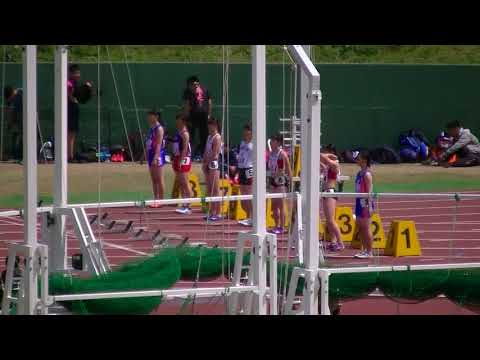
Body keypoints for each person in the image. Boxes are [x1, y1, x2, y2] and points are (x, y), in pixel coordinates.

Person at [182, 76, 212, 161]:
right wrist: (209, 114)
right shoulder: (205, 89)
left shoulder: (188, 91)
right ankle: (204, 155)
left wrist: (186, 116)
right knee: (204, 136)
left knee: (191, 136)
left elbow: (187, 104)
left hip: (194, 115)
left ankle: (189, 155)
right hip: (204, 115)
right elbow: (209, 102)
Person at [267, 134, 292, 235]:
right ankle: (276, 225)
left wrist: (290, 181)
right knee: (274, 205)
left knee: (281, 205)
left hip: (280, 181)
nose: (272, 143)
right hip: (273, 180)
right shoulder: (271, 153)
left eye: (273, 141)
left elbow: (282, 170)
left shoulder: (282, 154)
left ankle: (282, 226)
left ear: (278, 142)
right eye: (271, 141)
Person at [321, 145, 344, 252]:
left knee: (331, 220)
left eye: (327, 152)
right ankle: (333, 242)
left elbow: (321, 156)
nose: (324, 153)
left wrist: (329, 155)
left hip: (330, 192)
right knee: (328, 220)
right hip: (325, 192)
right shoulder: (327, 166)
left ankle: (340, 242)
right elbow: (320, 159)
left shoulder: (335, 164)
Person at [67, 64, 93, 163]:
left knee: (72, 133)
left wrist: (86, 89)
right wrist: (85, 87)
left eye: (78, 73)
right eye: (76, 73)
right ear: (70, 73)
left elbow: (80, 97)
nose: (78, 75)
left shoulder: (74, 83)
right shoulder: (69, 83)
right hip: (70, 109)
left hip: (73, 108)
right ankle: (69, 156)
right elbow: (72, 96)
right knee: (70, 133)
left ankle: (70, 155)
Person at [353, 150, 375, 259]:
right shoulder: (359, 173)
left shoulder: (367, 175)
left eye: (359, 158)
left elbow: (370, 192)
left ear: (365, 160)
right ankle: (364, 250)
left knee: (366, 228)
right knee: (360, 228)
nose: (357, 160)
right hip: (358, 201)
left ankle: (369, 251)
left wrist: (369, 206)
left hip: (365, 203)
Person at [172, 114, 193, 215]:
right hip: (177, 157)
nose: (177, 122)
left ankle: (188, 206)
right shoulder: (178, 132)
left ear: (183, 121)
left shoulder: (185, 133)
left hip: (184, 158)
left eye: (179, 120)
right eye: (176, 120)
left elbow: (185, 148)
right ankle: (184, 204)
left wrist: (181, 160)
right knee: (181, 182)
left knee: (185, 182)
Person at [202, 117, 223, 222]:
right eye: (208, 125)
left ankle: (217, 212)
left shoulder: (217, 137)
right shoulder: (209, 137)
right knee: (209, 189)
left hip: (214, 164)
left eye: (211, 125)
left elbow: (215, 154)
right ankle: (211, 211)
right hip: (208, 163)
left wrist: (207, 163)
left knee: (215, 189)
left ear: (215, 126)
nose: (209, 127)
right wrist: (204, 162)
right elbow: (206, 151)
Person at [145, 111, 166, 208]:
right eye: (148, 116)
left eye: (151, 116)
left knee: (159, 178)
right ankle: (155, 198)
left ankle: (161, 200)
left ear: (156, 117)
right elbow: (148, 142)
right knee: (153, 179)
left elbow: (158, 144)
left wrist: (156, 157)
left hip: (157, 155)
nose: (149, 118)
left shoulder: (159, 129)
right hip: (150, 154)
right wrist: (144, 155)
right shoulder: (151, 128)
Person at [237, 124, 254, 227]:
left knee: (249, 193)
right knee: (243, 193)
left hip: (249, 169)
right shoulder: (242, 143)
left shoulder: (254, 144)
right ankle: (248, 216)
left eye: (247, 131)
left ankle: (252, 217)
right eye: (244, 131)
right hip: (242, 168)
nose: (245, 133)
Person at [3, 86, 23, 161]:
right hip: (20, 122)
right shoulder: (19, 94)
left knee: (19, 137)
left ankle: (18, 156)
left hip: (23, 122)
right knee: (16, 136)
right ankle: (17, 156)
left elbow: (14, 113)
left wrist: (11, 123)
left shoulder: (18, 97)